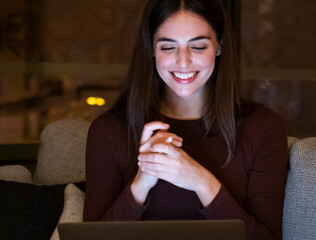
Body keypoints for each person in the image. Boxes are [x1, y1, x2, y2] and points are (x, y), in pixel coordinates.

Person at [83, 0, 288, 239]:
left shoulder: (261, 127)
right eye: (168, 48)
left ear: (219, 45)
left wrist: (201, 181)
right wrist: (142, 182)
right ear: (151, 48)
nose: (183, 61)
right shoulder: (109, 131)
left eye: (198, 46)